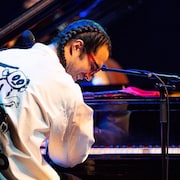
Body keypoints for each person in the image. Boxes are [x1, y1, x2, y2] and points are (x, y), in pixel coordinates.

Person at [0, 19, 111, 179]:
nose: (88, 77)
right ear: (77, 47)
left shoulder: (5, 55)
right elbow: (67, 158)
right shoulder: (66, 87)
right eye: (93, 67)